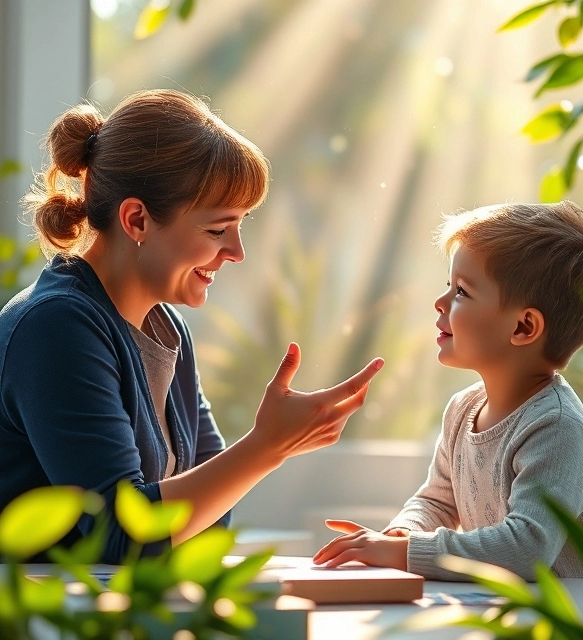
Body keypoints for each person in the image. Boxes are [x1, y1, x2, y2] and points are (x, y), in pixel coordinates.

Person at [0, 89, 383, 563]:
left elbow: (204, 526)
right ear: (137, 220)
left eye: (241, 226)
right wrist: (267, 446)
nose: (237, 252)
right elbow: (122, 537)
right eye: (217, 230)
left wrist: (270, 445)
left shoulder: (167, 329)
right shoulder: (56, 328)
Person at [313, 200, 583, 580]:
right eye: (448, 285)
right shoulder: (462, 409)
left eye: (462, 292)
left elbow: (525, 550)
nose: (440, 302)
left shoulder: (558, 430)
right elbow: (436, 500)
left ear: (523, 328)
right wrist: (405, 532)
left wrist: (405, 553)